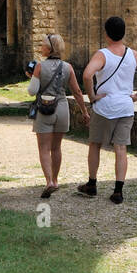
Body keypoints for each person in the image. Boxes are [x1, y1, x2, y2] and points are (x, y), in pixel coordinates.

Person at [77, 16, 137, 204]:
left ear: (106, 34)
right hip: (125, 107)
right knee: (121, 148)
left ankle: (92, 184)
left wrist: (92, 97)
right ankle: (118, 191)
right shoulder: (133, 55)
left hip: (104, 107)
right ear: (123, 33)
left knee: (95, 144)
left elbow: (88, 75)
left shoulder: (102, 54)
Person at [27, 34, 89, 199]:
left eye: (43, 45)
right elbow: (76, 91)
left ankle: (49, 182)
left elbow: (32, 91)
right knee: (56, 147)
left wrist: (32, 77)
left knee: (44, 148)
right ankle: (56, 178)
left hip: (45, 109)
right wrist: (84, 111)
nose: (41, 48)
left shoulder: (39, 66)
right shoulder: (68, 67)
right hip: (61, 108)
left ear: (49, 49)